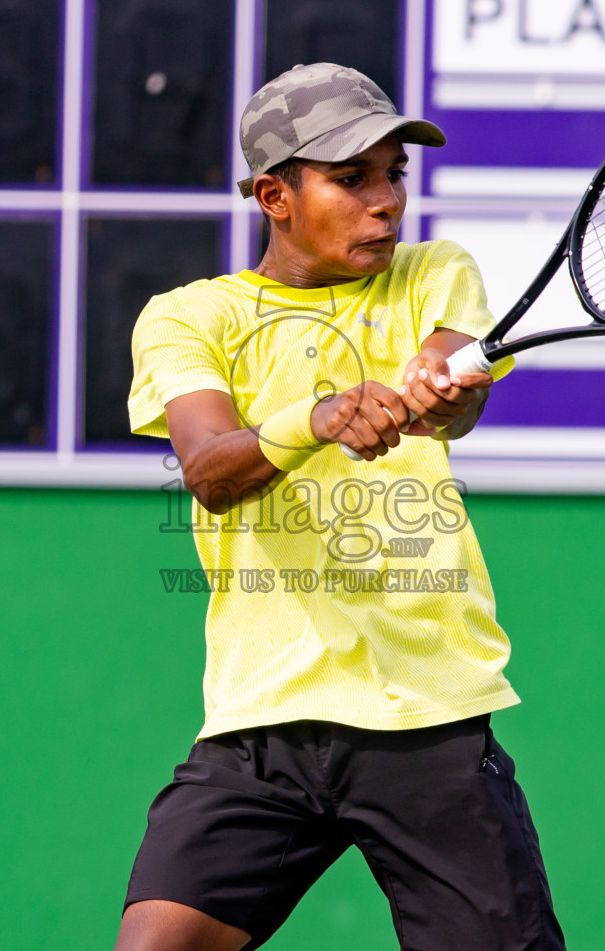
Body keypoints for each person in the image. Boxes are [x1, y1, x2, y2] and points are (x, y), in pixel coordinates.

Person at [118, 63, 565, 951]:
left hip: (425, 717)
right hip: (261, 724)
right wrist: (315, 419)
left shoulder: (435, 273)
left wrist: (443, 394)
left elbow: (454, 383)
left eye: (394, 174)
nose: (385, 202)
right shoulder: (188, 317)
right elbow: (208, 467)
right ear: (275, 195)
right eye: (351, 178)